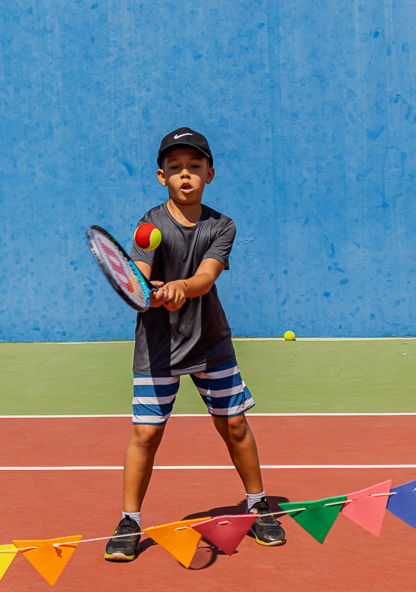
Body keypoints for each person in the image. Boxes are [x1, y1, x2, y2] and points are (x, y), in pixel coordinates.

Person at [105, 127, 286, 562]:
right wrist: (150, 291)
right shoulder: (150, 225)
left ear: (209, 173)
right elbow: (141, 274)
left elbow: (205, 278)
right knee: (145, 434)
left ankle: (258, 505)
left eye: (194, 166)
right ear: (161, 176)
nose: (184, 174)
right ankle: (129, 521)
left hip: (209, 344)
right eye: (175, 167)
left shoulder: (222, 226)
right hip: (158, 348)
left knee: (235, 426)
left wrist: (181, 287)